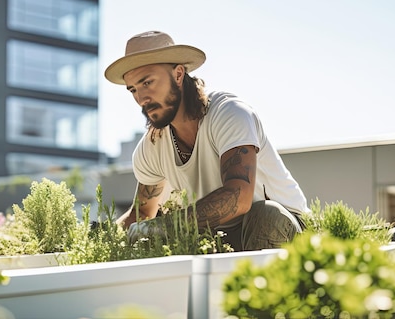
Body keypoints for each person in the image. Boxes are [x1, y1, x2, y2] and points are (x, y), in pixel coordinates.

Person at [104, 31, 308, 251]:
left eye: (148, 82)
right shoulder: (151, 146)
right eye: (133, 89)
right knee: (157, 238)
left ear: (179, 74)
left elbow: (238, 198)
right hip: (220, 236)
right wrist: (92, 241)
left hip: (288, 230)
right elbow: (142, 214)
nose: (141, 99)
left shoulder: (229, 113)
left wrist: (163, 226)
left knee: (266, 216)